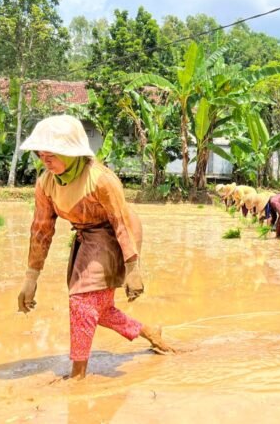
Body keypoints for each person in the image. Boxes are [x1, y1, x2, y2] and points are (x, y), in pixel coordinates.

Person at [16, 115, 173, 380]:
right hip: (85, 237)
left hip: (114, 233)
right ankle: (150, 333)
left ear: (71, 152)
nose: (45, 159)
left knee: (82, 302)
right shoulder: (45, 183)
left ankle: (78, 374)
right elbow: (41, 230)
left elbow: (121, 222)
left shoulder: (101, 179)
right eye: (41, 153)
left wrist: (132, 267)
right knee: (98, 308)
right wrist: (31, 278)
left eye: (52, 153)